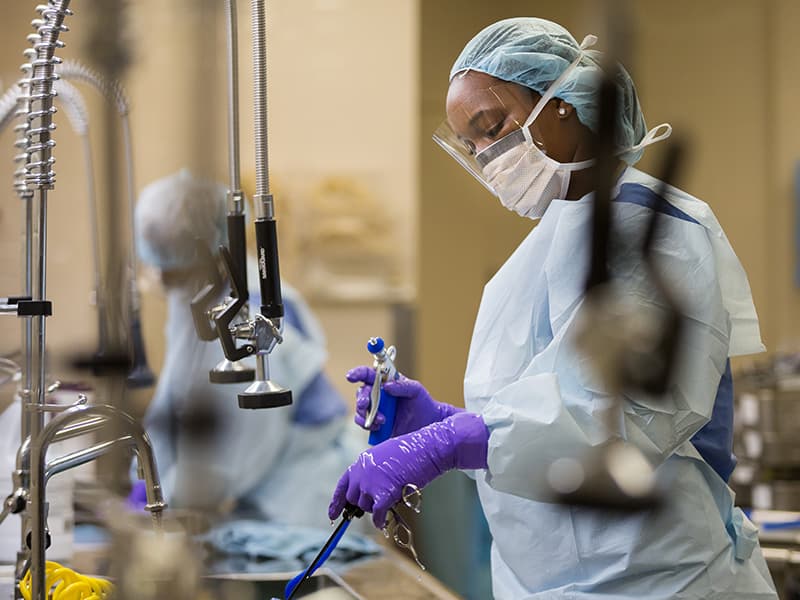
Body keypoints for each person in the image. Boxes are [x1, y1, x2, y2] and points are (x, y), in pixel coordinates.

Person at [328, 18, 778, 599]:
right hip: (549, 583)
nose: (489, 158)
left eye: (492, 127)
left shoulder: (659, 231)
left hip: (662, 580)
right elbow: (535, 413)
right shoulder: (541, 246)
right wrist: (438, 421)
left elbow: (618, 415)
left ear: (564, 103)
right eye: (471, 145)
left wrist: (451, 442)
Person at [134, 169, 351, 529]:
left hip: (299, 509)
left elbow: (237, 450)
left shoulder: (246, 311)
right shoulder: (202, 296)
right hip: (267, 499)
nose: (160, 279)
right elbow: (175, 396)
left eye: (170, 269)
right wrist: (145, 476)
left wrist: (163, 495)